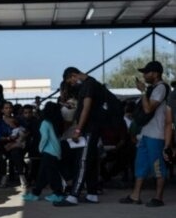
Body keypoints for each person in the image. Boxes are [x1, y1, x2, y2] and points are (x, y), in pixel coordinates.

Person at [119, 61, 172, 207]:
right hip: (146, 133)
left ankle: (158, 197)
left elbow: (148, 109)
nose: (144, 75)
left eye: (146, 72)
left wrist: (143, 92)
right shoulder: (153, 88)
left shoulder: (161, 88)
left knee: (157, 167)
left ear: (155, 74)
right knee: (140, 165)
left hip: (156, 134)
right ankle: (135, 195)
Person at [54, 67, 107, 207]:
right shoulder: (91, 84)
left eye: (70, 81)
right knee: (90, 162)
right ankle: (92, 194)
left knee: (82, 161)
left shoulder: (88, 85)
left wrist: (78, 129)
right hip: (92, 128)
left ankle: (73, 196)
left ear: (73, 76)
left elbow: (86, 108)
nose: (71, 85)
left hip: (89, 129)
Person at [22, 102, 65, 202]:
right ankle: (35, 193)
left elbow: (44, 137)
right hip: (56, 151)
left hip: (48, 152)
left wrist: (40, 148)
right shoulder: (57, 123)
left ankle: (58, 194)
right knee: (43, 174)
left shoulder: (45, 122)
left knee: (51, 175)